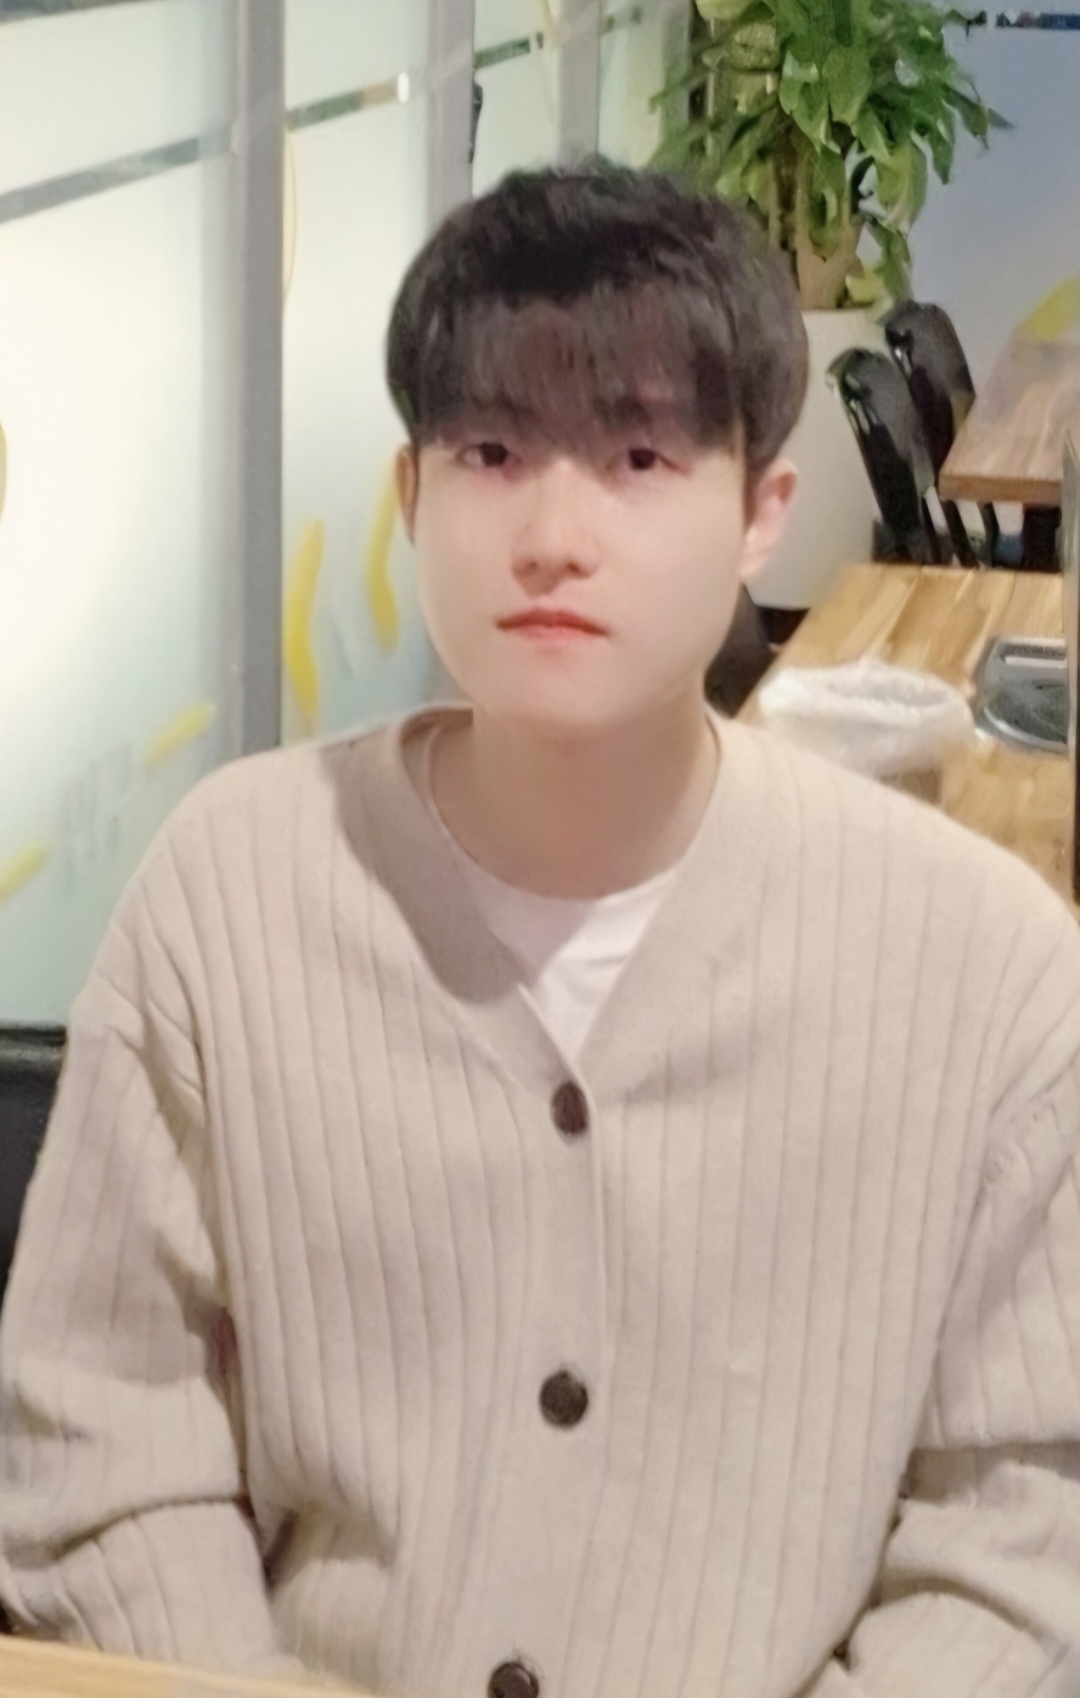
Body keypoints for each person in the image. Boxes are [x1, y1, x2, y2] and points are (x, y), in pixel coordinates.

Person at [2, 164, 1080, 1698]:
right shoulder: (226, 890)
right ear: (410, 498)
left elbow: (1027, 1527)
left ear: (760, 515)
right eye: (494, 451)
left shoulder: (992, 973)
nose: (554, 534)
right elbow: (100, 1437)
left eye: (639, 454)